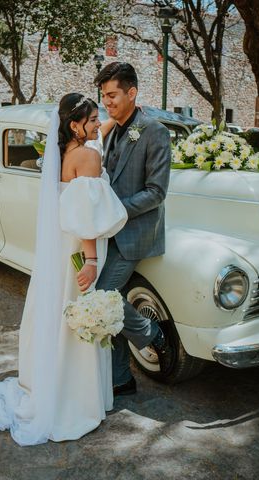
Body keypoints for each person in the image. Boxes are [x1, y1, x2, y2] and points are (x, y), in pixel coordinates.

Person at [0, 93, 127, 446]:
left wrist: (116, 121)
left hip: (60, 248)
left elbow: (93, 144)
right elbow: (85, 219)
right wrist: (91, 262)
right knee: (79, 314)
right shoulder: (89, 156)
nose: (98, 123)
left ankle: (54, 385)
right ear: (76, 126)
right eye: (93, 119)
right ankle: (74, 400)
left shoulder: (64, 153)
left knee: (60, 314)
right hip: (79, 248)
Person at [93, 62, 173, 396]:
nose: (106, 102)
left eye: (112, 95)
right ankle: (121, 379)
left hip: (135, 233)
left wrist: (114, 210)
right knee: (107, 300)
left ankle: (150, 333)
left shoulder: (153, 131)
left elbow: (157, 192)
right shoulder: (111, 128)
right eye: (103, 96)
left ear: (132, 92)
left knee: (102, 297)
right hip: (106, 233)